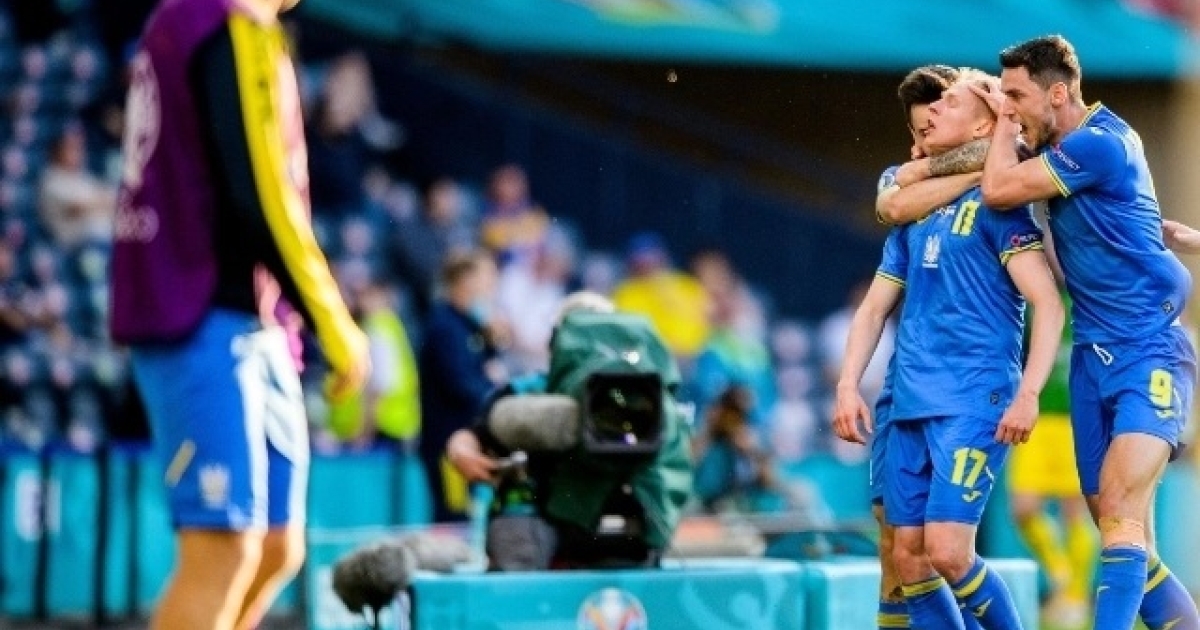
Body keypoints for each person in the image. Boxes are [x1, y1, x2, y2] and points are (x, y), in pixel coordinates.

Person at [108, 1, 370, 629]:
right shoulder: (223, 19)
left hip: (255, 321)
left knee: (278, 545)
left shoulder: (229, 23)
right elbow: (260, 196)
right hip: (202, 314)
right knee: (223, 548)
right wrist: (331, 319)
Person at [964, 34, 1200, 630]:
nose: (1009, 106)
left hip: (1148, 345)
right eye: (1004, 95)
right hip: (1093, 355)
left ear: (1058, 94)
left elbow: (998, 188)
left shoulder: (1099, 143)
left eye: (1018, 95)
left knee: (1119, 508)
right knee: (1120, 530)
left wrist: (999, 124)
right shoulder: (1062, 142)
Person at [834, 69, 1065, 630]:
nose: (934, 111)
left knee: (948, 551)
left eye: (949, 103)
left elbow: (1048, 303)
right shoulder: (912, 212)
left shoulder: (1001, 207)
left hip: (972, 398)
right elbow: (874, 307)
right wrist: (846, 383)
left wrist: (1029, 393)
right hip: (908, 400)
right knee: (908, 558)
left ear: (984, 124)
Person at [445, 291, 693, 570]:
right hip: (543, 522)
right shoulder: (529, 391)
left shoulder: (649, 397)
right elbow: (476, 433)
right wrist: (460, 449)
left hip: (626, 525)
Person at [418, 249, 507, 522]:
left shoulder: (471, 326)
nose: (492, 284)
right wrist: (500, 399)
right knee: (453, 518)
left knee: (468, 516)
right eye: (487, 276)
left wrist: (493, 341)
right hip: (448, 446)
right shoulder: (445, 327)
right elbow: (460, 384)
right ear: (466, 280)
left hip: (466, 440)